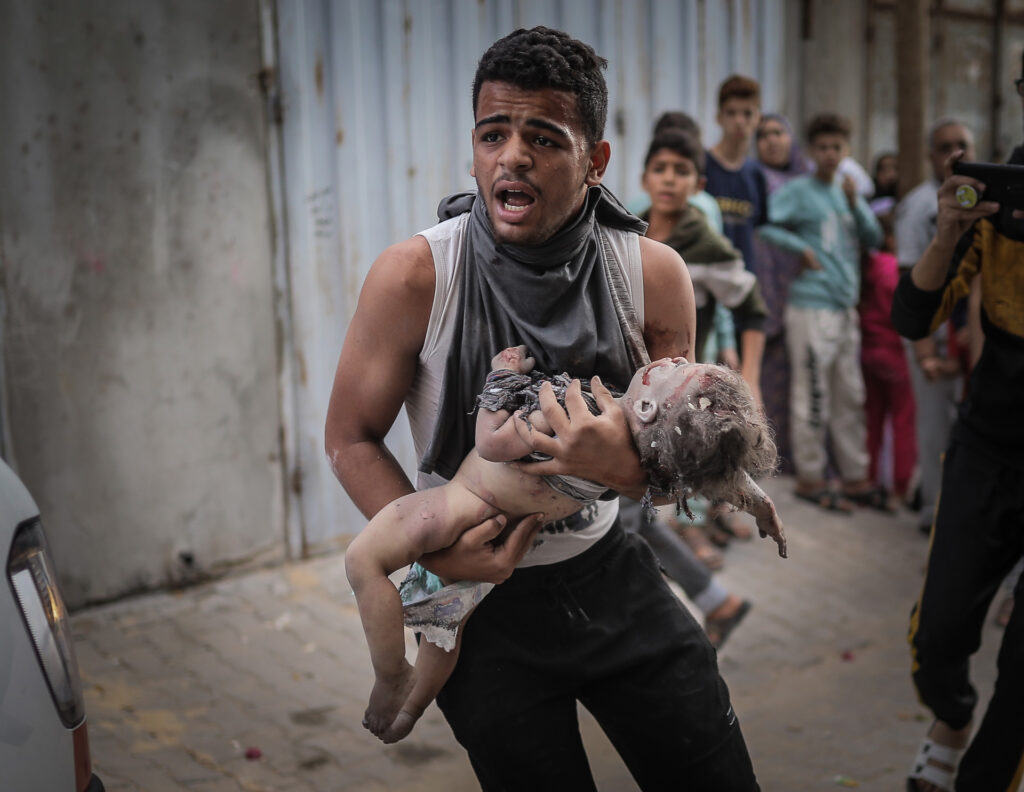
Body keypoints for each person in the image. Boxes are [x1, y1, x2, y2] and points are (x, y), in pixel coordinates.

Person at [326, 27, 765, 789]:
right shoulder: (415, 277)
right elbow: (349, 438)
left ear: (594, 161)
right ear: (473, 149)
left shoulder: (652, 275)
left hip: (611, 571)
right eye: (493, 134)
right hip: (481, 610)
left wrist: (629, 469)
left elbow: (682, 453)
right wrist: (437, 553)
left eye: (543, 137)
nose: (513, 157)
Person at [346, 346, 786, 743]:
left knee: (363, 561)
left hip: (461, 508)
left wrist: (500, 377)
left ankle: (390, 676)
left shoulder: (579, 415)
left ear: (648, 405)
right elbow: (705, 477)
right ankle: (407, 713)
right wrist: (759, 502)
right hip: (507, 538)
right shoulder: (647, 466)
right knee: (446, 633)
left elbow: (492, 443)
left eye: (678, 369)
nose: (674, 359)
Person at [893, 57, 1024, 790]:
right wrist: (948, 232)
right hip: (989, 444)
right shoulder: (1002, 197)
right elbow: (913, 314)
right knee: (937, 637)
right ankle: (951, 714)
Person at [758, 113, 884, 512]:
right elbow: (765, 224)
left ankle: (854, 477)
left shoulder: (848, 192)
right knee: (812, 395)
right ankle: (811, 478)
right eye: (824, 148)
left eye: (838, 148)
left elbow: (875, 238)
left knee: (851, 395)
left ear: (847, 151)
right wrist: (801, 250)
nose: (831, 154)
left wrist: (855, 204)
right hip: (811, 307)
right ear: (812, 152)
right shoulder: (800, 190)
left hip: (845, 309)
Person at [893, 120, 974, 534]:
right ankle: (935, 514)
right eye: (945, 147)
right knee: (934, 430)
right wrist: (925, 351)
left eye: (963, 144)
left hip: (973, 335)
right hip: (934, 333)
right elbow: (909, 280)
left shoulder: (983, 199)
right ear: (931, 155)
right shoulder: (920, 204)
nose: (955, 153)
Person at [752, 113, 812, 474]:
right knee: (763, 374)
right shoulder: (754, 177)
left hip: (804, 288)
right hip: (764, 282)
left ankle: (795, 459)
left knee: (799, 378)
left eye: (778, 133)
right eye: (763, 135)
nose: (771, 140)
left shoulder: (809, 180)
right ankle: (762, 457)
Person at [858, 212, 916, 506]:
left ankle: (868, 478)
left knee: (873, 419)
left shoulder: (871, 265)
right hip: (895, 354)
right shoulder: (898, 269)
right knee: (904, 420)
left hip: (869, 350)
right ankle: (899, 488)